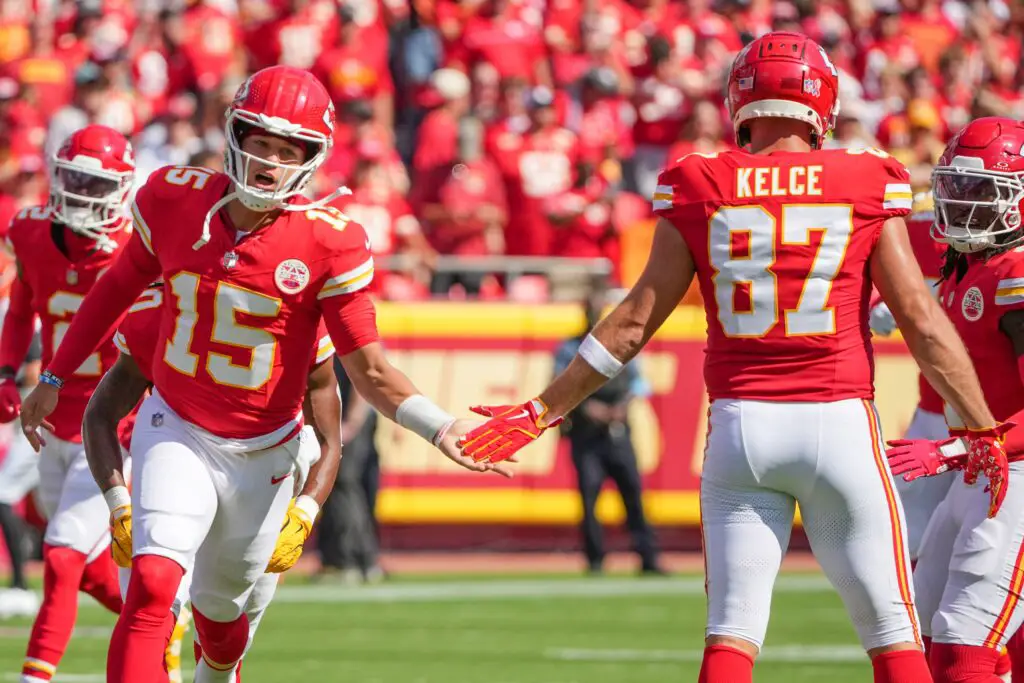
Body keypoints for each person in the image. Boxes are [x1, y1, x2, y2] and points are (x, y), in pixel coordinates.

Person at [459, 31, 1006, 683]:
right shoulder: (866, 176)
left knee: (731, 635)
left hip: (742, 428)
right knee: (893, 634)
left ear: (740, 100)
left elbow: (633, 321)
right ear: (822, 102)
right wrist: (980, 426)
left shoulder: (698, 179)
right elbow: (919, 318)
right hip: (839, 422)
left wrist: (542, 408)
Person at [16, 65, 510, 683]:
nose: (271, 162)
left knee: (223, 622)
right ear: (235, 137)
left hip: (265, 449)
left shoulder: (331, 242)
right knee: (151, 582)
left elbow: (371, 370)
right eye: (260, 142)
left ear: (312, 158)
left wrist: (441, 428)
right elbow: (114, 289)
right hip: (177, 425)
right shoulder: (171, 198)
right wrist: (54, 378)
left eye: (289, 150)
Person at [82, 282, 340, 682]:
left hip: (265, 470)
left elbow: (328, 435)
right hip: (170, 465)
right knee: (151, 601)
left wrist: (305, 510)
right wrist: (118, 503)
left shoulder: (296, 313)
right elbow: (101, 411)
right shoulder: (159, 307)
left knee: (227, 624)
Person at [886, 117, 1024, 682]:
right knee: (917, 639)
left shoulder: (1017, 271)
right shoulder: (970, 263)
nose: (965, 203)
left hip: (1014, 475)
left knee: (964, 654)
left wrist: (948, 453)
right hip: (984, 474)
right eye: (958, 188)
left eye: (983, 191)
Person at [0, 124, 134, 683]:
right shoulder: (31, 231)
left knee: (59, 555)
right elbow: (23, 303)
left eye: (95, 183)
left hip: (108, 426)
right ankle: (158, 620)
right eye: (74, 178)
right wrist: (6, 371)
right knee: (80, 566)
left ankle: (34, 679)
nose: (82, 192)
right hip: (49, 425)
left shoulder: (137, 247)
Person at [870, 192, 955, 560]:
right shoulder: (927, 227)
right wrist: (884, 297)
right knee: (904, 538)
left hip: (1003, 423)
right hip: (936, 411)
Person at [555, 291, 661, 575]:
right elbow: (561, 387)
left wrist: (620, 409)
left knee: (633, 494)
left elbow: (639, 384)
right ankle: (595, 559)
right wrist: (592, 410)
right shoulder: (569, 348)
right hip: (587, 435)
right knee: (589, 497)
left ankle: (647, 556)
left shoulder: (620, 343)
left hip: (617, 432)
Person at [316, 357, 383, 584]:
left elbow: (363, 375)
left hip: (350, 423)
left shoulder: (347, 332)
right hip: (346, 421)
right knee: (347, 488)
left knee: (344, 485)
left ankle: (350, 560)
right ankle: (356, 560)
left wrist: (351, 422)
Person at [0, 334, 41, 620]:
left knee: (2, 494)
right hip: (32, 423)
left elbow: (36, 370)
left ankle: (20, 585)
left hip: (40, 424)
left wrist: (8, 381)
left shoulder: (31, 328)